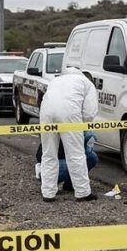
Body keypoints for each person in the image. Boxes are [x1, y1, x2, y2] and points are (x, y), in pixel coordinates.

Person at [39, 67, 99, 202]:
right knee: (76, 154)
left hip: (46, 113)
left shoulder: (55, 81)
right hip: (69, 113)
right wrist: (82, 126)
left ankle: (48, 194)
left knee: (48, 154)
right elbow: (89, 113)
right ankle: (83, 193)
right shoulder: (86, 83)